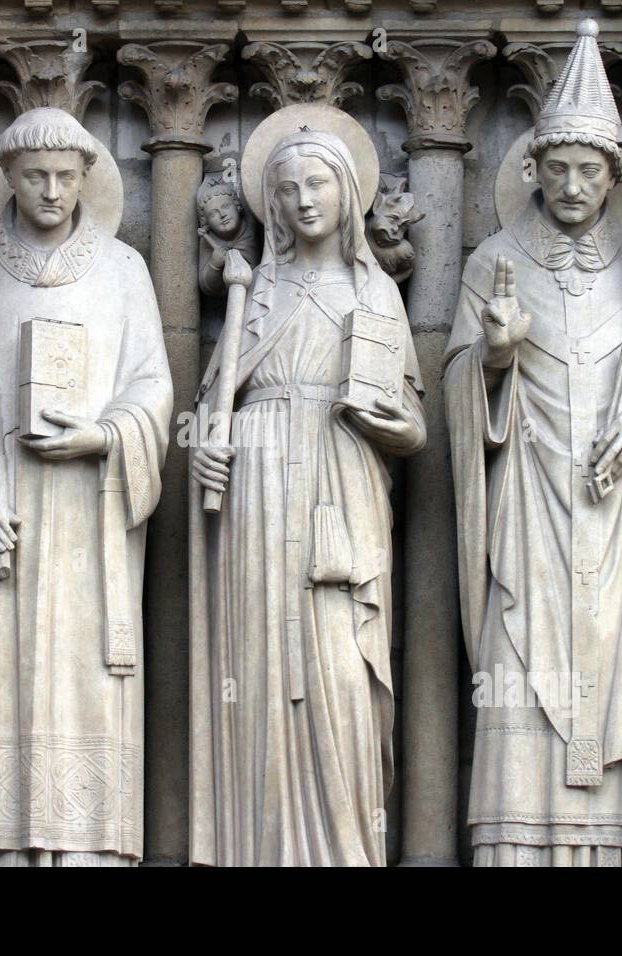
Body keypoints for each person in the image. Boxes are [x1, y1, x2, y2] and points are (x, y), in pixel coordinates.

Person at [444, 21, 622, 866]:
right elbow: (454, 384)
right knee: (520, 680)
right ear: (532, 170)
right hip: (527, 517)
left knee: (611, 687)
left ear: (616, 177)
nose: (573, 185)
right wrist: (494, 355)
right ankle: (517, 842)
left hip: (617, 514)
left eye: (590, 170)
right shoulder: (493, 260)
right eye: (556, 168)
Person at [0, 108, 172, 866]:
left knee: (85, 685)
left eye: (66, 176)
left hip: (90, 517)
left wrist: (104, 436)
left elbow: (153, 390)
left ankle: (91, 851)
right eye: (35, 177)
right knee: (1, 691)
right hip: (1, 520)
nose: (53, 190)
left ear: (87, 178)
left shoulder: (125, 271)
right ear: (8, 180)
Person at [190, 119, 426, 866]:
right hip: (257, 496)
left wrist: (392, 425)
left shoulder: (375, 291)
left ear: (348, 191)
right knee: (257, 673)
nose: (302, 201)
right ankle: (261, 848)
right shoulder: (251, 290)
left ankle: (346, 848)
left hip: (343, 486)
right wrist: (203, 447)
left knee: (340, 671)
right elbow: (213, 403)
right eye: (285, 189)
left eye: (317, 184)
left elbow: (415, 427)